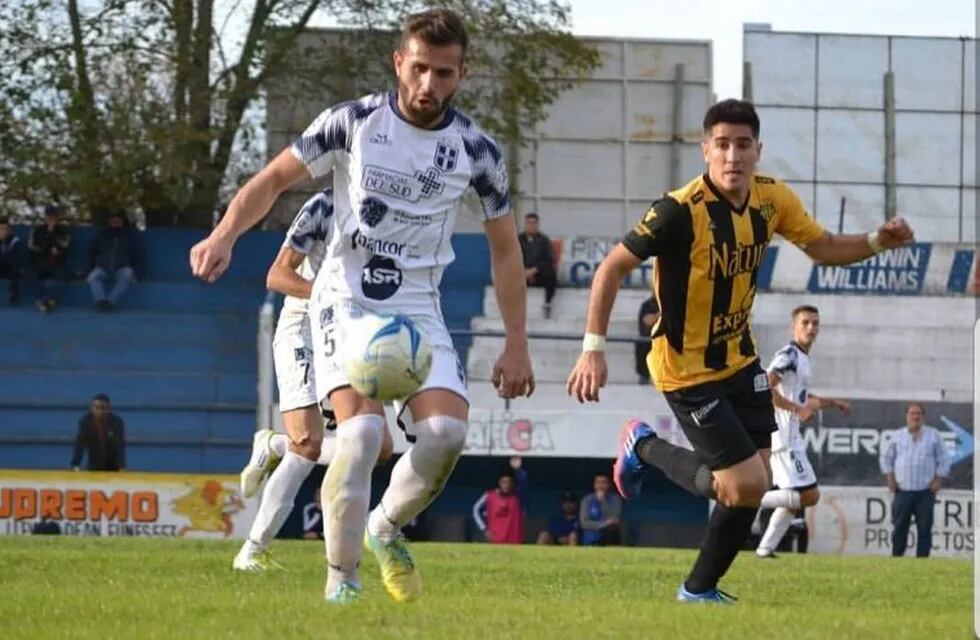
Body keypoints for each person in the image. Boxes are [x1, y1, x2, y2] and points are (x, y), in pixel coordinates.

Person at [188, 8, 534, 604]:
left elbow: (506, 252)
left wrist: (517, 342)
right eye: (419, 68)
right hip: (345, 303)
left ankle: (384, 526)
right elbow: (273, 180)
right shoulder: (351, 123)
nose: (429, 85)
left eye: (444, 74)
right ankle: (341, 583)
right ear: (399, 62)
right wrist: (224, 235)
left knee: (447, 433)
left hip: (419, 309)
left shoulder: (477, 150)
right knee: (362, 434)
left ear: (462, 74)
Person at [565, 98, 914, 603]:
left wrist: (879, 240)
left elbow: (823, 247)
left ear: (758, 151)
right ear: (706, 150)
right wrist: (592, 348)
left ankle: (701, 589)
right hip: (685, 369)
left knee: (760, 476)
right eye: (722, 145)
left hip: (740, 358)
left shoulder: (772, 200)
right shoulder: (676, 211)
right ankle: (642, 447)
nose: (733, 156)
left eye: (743, 145)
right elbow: (610, 269)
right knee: (744, 486)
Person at [232, 189, 393, 571]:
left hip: (352, 332)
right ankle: (251, 551)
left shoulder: (391, 211)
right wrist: (326, 298)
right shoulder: (324, 205)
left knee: (381, 448)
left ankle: (275, 445)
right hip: (303, 327)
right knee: (306, 445)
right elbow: (277, 275)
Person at [755, 305, 851, 558]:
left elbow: (803, 397)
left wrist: (834, 403)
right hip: (784, 436)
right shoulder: (788, 355)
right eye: (805, 322)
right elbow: (766, 387)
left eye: (815, 323)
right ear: (794, 327)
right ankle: (747, 498)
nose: (811, 328)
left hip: (790, 436)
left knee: (792, 499)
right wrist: (797, 410)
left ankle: (765, 549)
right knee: (809, 495)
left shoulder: (802, 358)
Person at [879, 402, 950, 558]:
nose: (915, 416)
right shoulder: (897, 435)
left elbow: (944, 459)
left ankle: (922, 561)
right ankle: (897, 559)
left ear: (923, 416)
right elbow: (886, 458)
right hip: (902, 491)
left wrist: (938, 480)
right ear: (907, 416)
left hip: (925, 492)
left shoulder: (934, 435)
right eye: (912, 413)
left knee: (925, 529)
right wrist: (890, 478)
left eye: (919, 413)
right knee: (899, 528)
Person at [87, 209, 144, 310]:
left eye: (118, 221)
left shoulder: (130, 236)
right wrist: (88, 270)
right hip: (102, 267)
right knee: (93, 277)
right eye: (113, 221)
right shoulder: (102, 235)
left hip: (122, 267)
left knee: (127, 274)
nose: (116, 223)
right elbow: (91, 253)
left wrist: (138, 274)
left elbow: (139, 256)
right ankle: (100, 300)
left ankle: (110, 301)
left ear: (122, 222)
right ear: (109, 222)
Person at [28, 204, 71, 313]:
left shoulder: (63, 230)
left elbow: (65, 245)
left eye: (53, 217)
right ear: (45, 217)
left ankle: (50, 301)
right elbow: (32, 247)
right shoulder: (37, 229)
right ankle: (38, 300)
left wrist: (52, 234)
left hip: (57, 262)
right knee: (32, 275)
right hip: (41, 261)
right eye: (49, 216)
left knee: (62, 276)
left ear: (57, 218)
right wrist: (46, 247)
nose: (51, 219)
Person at [70, 393, 125, 471]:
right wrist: (75, 464)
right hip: (93, 466)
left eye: (103, 408)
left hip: (113, 467)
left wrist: (121, 466)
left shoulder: (117, 422)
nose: (100, 411)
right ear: (91, 408)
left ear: (109, 409)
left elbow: (120, 446)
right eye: (96, 408)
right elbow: (80, 444)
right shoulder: (85, 422)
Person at [518, 212, 557, 318]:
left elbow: (549, 259)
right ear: (525, 224)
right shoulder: (517, 240)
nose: (531, 226)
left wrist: (534, 270)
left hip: (539, 273)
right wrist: (524, 271)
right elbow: (513, 257)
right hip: (521, 273)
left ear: (537, 225)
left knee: (551, 273)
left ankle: (547, 303)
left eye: (533, 223)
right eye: (528, 223)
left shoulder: (544, 240)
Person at [472, 467, 526, 544]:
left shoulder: (517, 497)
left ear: (512, 483)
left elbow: (524, 481)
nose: (506, 485)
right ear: (499, 482)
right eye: (503, 482)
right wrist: (484, 529)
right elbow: (475, 509)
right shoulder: (489, 495)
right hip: (495, 541)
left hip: (514, 541)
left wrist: (518, 469)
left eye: (508, 482)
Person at [579, 473, 622, 546]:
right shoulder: (587, 500)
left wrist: (603, 502)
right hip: (591, 536)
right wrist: (603, 524)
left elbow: (614, 521)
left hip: (609, 536)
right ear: (594, 485)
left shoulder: (615, 499)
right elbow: (584, 524)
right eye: (598, 482)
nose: (600, 486)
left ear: (609, 484)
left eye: (604, 482)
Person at [635, 294, 659, 384]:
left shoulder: (672, 302)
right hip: (650, 339)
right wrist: (661, 315)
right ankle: (644, 375)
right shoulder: (648, 305)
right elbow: (647, 321)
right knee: (643, 342)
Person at [0, 219, 25, 304]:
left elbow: (14, 257)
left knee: (13, 260)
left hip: (12, 270)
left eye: (5, 229)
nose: (2, 231)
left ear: (9, 230)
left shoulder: (15, 241)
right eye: (0, 229)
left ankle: (13, 292)